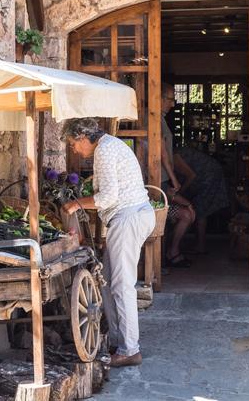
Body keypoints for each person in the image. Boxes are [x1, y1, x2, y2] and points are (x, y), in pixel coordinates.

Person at [59, 117, 151, 368]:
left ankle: (130, 349)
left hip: (128, 217)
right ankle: (119, 342)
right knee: (110, 283)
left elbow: (108, 197)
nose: (75, 150)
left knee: (122, 286)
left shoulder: (105, 150)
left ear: (82, 137)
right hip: (130, 216)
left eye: (73, 144)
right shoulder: (108, 146)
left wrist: (77, 203)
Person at [158, 82, 197, 267]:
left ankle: (169, 254)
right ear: (159, 98)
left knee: (184, 212)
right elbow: (162, 153)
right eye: (170, 99)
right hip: (160, 182)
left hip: (164, 182)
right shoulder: (154, 120)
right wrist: (174, 180)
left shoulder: (161, 119)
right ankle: (165, 258)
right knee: (180, 214)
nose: (173, 104)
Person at [174, 145, 231, 255]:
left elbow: (191, 176)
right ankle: (198, 244)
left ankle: (200, 246)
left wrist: (180, 193)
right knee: (199, 208)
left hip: (209, 176)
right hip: (208, 174)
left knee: (200, 209)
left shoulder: (175, 157)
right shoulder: (178, 153)